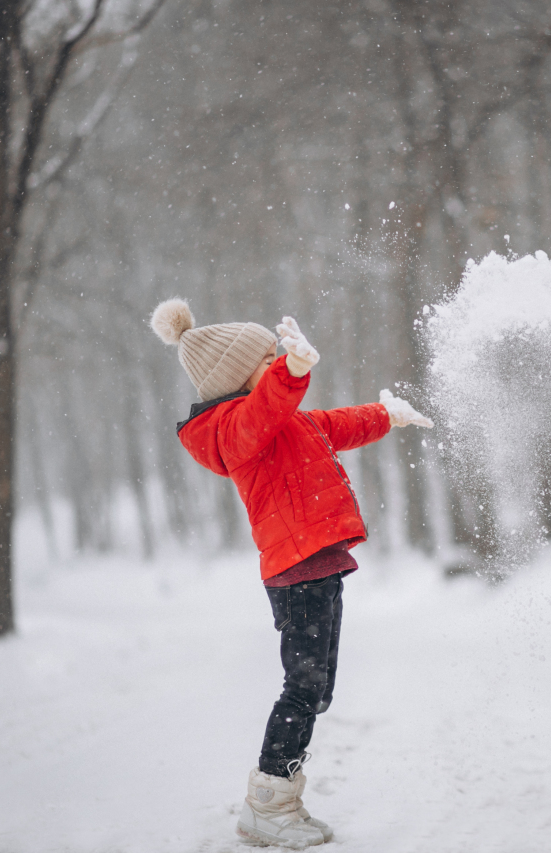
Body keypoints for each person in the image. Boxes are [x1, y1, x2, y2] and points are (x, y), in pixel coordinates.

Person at [150, 300, 432, 847]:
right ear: (240, 376)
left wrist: (385, 414)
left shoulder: (280, 420)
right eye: (269, 357)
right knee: (303, 688)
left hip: (317, 565)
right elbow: (261, 412)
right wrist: (292, 373)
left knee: (317, 688)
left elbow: (332, 425)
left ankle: (279, 797)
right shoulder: (235, 430)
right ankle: (268, 801)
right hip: (296, 571)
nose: (279, 359)